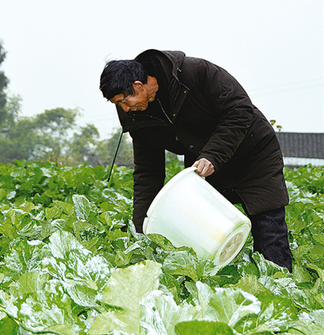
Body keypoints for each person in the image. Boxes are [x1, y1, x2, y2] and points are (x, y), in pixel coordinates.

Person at [99, 49, 293, 272]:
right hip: (202, 165)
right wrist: (141, 229)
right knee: (206, 234)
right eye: (118, 104)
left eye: (125, 100)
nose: (124, 108)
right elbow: (148, 171)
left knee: (267, 225)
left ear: (139, 85)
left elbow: (239, 112)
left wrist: (212, 156)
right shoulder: (133, 112)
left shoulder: (196, 73)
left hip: (252, 153)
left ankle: (280, 287)